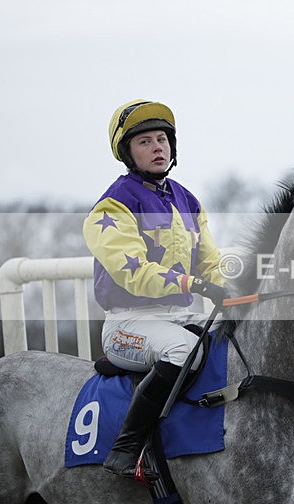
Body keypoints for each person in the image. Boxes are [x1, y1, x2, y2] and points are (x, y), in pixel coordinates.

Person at [83, 99, 229, 478]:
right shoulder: (112, 206)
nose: (157, 147)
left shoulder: (187, 200)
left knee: (236, 339)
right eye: (145, 141)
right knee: (184, 350)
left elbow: (211, 262)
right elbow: (132, 271)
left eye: (162, 139)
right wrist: (191, 283)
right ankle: (128, 446)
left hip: (179, 317)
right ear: (128, 153)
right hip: (129, 325)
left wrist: (230, 288)